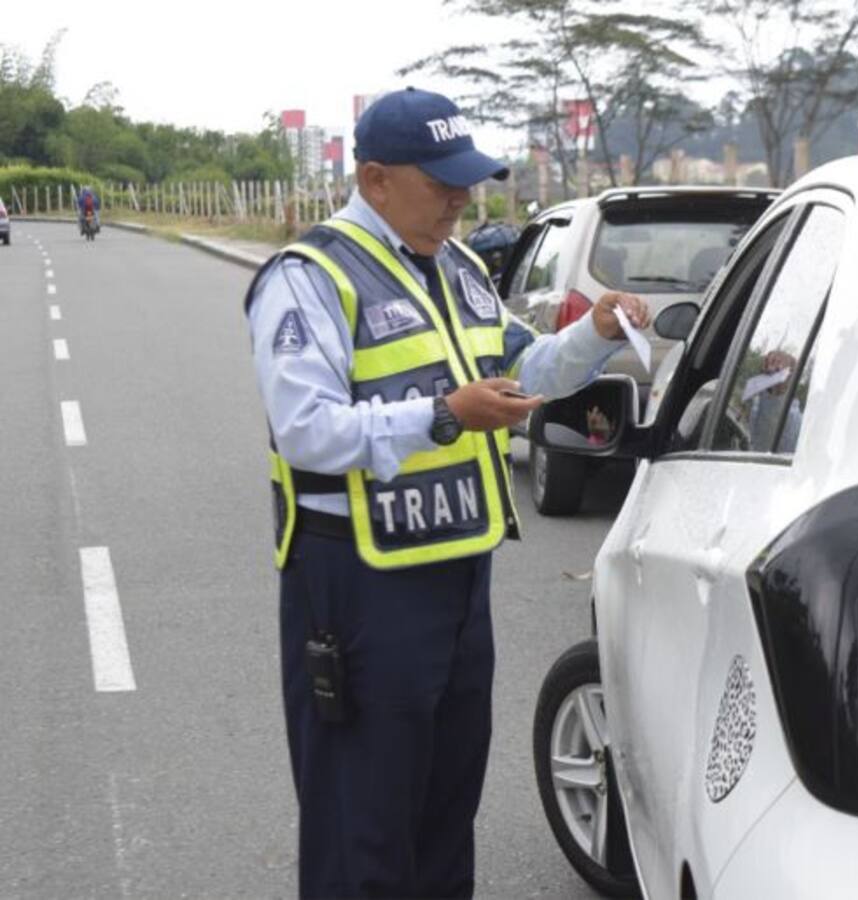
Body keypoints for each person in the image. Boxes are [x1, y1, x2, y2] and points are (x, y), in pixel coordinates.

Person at [243, 87, 649, 899]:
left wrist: (594, 336)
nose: (462, 197)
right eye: (442, 183)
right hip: (359, 586)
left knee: (442, 811)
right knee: (362, 820)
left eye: (466, 180)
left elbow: (523, 370)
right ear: (377, 179)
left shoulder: (458, 267)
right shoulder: (310, 277)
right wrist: (441, 417)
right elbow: (307, 429)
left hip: (459, 579)